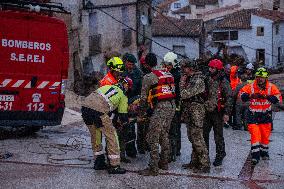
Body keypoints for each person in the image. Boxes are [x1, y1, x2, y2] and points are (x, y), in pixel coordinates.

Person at [81, 77, 133, 174]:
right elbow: (123, 116)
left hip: (85, 107)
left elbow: (108, 109)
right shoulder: (123, 95)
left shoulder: (108, 87)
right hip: (98, 110)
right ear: (127, 87)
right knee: (112, 137)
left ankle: (99, 162)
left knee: (96, 136)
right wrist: (125, 123)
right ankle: (114, 166)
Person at [138, 53, 176, 176]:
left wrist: (141, 113)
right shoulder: (167, 73)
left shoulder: (149, 77)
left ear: (146, 64)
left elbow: (143, 98)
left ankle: (153, 168)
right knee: (164, 134)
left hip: (161, 107)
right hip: (171, 106)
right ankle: (164, 162)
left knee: (152, 136)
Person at [239, 67, 282, 165]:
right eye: (258, 77)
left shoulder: (271, 87)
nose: (260, 79)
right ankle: (255, 156)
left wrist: (267, 97)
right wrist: (250, 96)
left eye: (262, 77)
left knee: (265, 136)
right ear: (256, 77)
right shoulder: (251, 86)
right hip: (253, 115)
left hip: (265, 115)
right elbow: (241, 95)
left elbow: (278, 98)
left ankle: (264, 152)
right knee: (255, 135)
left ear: (266, 77)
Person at [179, 59, 210, 173]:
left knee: (197, 138)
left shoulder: (198, 80)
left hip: (197, 111)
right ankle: (194, 161)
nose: (183, 70)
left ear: (190, 68)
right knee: (191, 137)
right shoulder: (191, 78)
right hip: (190, 110)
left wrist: (182, 83)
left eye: (184, 68)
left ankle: (204, 164)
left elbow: (184, 94)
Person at [203, 59, 233, 167]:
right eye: (209, 67)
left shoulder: (223, 81)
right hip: (207, 111)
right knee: (204, 134)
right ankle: (204, 155)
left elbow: (229, 97)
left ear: (218, 69)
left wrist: (227, 113)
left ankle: (220, 155)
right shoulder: (206, 78)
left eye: (212, 68)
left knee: (218, 136)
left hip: (218, 112)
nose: (210, 69)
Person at [122, 53, 143, 157]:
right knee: (121, 127)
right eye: (129, 64)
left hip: (132, 104)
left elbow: (141, 89)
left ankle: (131, 151)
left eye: (132, 64)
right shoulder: (120, 72)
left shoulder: (138, 73)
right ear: (125, 62)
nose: (131, 66)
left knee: (130, 128)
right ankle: (120, 151)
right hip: (120, 102)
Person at [162, 52, 182, 160]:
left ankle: (172, 153)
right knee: (175, 129)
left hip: (174, 105)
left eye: (168, 64)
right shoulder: (176, 73)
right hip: (174, 105)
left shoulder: (174, 76)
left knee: (172, 129)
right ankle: (176, 150)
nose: (166, 66)